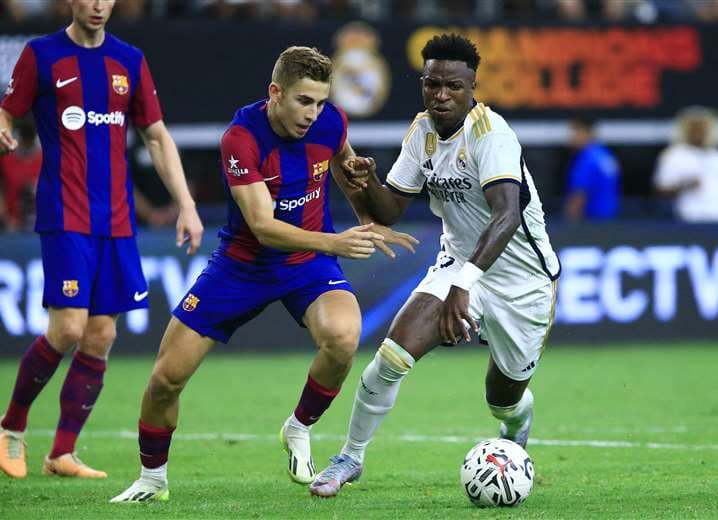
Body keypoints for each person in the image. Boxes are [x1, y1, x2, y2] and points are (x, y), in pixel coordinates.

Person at [110, 45, 417, 503]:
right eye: (303, 101)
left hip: (307, 263)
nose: (313, 113)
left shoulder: (331, 123)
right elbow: (263, 226)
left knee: (343, 336)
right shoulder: (241, 139)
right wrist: (335, 242)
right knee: (166, 378)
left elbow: (343, 167)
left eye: (320, 102)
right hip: (242, 265)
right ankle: (152, 479)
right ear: (275, 93)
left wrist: (365, 216)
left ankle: (299, 426)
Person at [308, 33, 561, 498]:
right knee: (390, 357)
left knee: (502, 399)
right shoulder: (421, 132)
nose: (441, 95)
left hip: (522, 282)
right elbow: (389, 211)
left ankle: (516, 423)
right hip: (459, 262)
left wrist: (465, 285)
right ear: (423, 85)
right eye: (432, 84)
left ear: (472, 88)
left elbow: (506, 216)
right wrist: (366, 183)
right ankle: (350, 457)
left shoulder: (491, 135)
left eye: (453, 86)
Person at [0, 0, 203, 479]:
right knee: (68, 328)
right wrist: (3, 129)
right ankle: (11, 428)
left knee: (102, 334)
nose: (98, 4)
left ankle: (62, 454)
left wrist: (187, 205)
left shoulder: (129, 60)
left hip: (116, 219)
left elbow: (156, 135)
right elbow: (7, 112)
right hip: (65, 213)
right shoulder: (42, 54)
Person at [653, 106, 718, 222]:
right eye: (694, 128)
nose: (698, 132)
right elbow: (660, 189)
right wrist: (685, 185)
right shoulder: (674, 155)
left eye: (702, 128)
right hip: (692, 220)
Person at [564, 117, 620, 221]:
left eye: (575, 131)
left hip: (591, 223)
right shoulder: (605, 154)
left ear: (586, 132)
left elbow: (579, 196)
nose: (570, 137)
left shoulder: (587, 159)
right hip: (610, 221)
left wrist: (568, 224)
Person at [0, 116, 41, 231]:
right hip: (10, 221)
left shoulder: (45, 154)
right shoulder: (5, 154)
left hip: (38, 221)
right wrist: (6, 218)